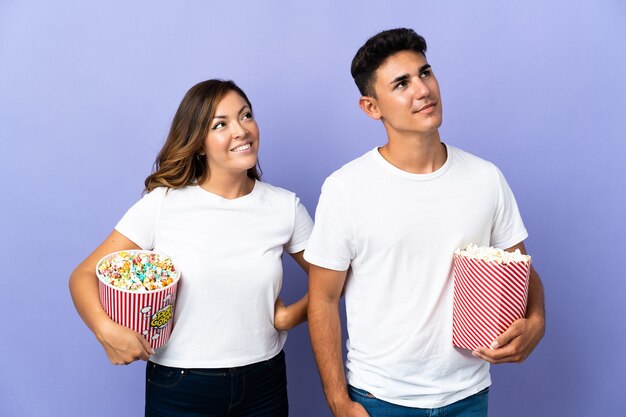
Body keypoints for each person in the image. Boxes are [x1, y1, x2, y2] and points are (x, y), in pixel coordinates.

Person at [305, 28, 545, 417]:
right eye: (401, 83)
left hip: (468, 395)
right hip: (379, 398)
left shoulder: (486, 178)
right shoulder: (346, 188)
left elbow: (519, 265)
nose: (423, 89)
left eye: (425, 73)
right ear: (371, 107)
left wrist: (536, 321)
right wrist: (339, 402)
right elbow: (323, 298)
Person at [69, 79, 313, 417]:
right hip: (180, 387)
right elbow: (82, 275)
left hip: (263, 381)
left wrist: (291, 315)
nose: (241, 130)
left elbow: (333, 277)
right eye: (221, 124)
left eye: (246, 116)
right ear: (199, 143)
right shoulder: (164, 204)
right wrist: (105, 330)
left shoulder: (284, 207)